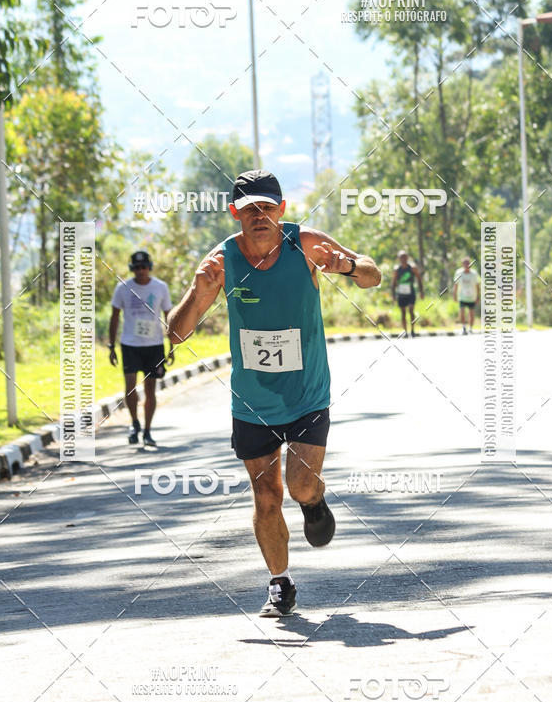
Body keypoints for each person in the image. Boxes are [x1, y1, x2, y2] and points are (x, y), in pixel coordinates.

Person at [169, 169, 381, 617]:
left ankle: (314, 501)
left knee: (300, 486)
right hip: (253, 401)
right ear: (236, 214)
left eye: (267, 207)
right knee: (266, 494)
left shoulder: (304, 243)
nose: (259, 216)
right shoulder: (222, 261)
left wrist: (343, 265)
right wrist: (199, 291)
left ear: (281, 210)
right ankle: (280, 583)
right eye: (249, 210)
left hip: (306, 393)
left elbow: (372, 275)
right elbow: (177, 333)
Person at [109, 251, 174, 447]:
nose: (140, 271)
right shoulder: (123, 288)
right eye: (136, 268)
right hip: (130, 344)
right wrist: (111, 346)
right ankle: (134, 422)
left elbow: (169, 316)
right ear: (132, 269)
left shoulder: (160, 287)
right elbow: (114, 317)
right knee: (130, 387)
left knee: (150, 389)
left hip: (154, 345)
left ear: (149, 267)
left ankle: (147, 430)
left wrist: (172, 345)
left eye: (144, 267)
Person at [391, 250, 423, 337]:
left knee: (411, 310)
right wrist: (393, 295)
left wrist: (421, 292)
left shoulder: (412, 268)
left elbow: (419, 279)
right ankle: (405, 331)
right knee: (403, 312)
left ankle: (412, 330)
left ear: (407, 258)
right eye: (401, 257)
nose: (403, 259)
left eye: (405, 257)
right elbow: (393, 283)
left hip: (411, 293)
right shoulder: (397, 270)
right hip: (401, 293)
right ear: (399, 259)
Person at [453, 257, 480, 334]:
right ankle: (464, 327)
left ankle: (471, 328)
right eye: (465, 263)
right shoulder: (458, 273)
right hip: (462, 296)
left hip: (472, 297)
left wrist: (478, 296)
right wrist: (454, 295)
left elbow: (477, 285)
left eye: (468, 263)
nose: (467, 264)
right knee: (462, 312)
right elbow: (456, 285)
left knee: (471, 313)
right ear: (462, 264)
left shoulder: (474, 274)